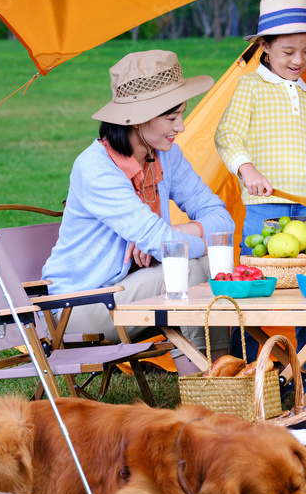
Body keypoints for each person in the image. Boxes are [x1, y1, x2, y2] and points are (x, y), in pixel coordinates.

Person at [42, 50, 234, 369]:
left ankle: (224, 379)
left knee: (203, 260)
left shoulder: (164, 154)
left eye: (181, 114)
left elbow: (222, 221)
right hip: (77, 309)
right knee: (187, 270)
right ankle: (211, 387)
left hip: (127, 291)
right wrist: (167, 243)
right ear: (141, 117)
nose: (181, 127)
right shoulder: (95, 168)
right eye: (172, 118)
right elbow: (163, 245)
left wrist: (176, 236)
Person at [215, 0, 306, 369]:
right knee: (250, 291)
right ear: (264, 45)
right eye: (289, 50)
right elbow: (228, 136)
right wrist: (248, 170)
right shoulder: (251, 88)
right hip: (266, 211)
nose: (298, 60)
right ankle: (237, 370)